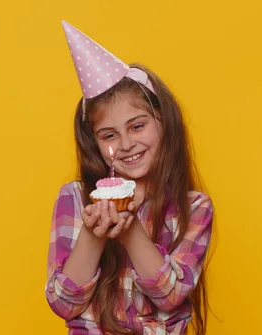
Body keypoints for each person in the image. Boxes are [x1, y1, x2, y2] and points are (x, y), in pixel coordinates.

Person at [45, 21, 214, 335]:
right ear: (94, 142)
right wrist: (94, 235)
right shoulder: (74, 198)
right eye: (109, 135)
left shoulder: (194, 207)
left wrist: (130, 230)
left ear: (163, 120)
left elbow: (171, 296)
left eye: (137, 126)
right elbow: (64, 305)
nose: (125, 144)